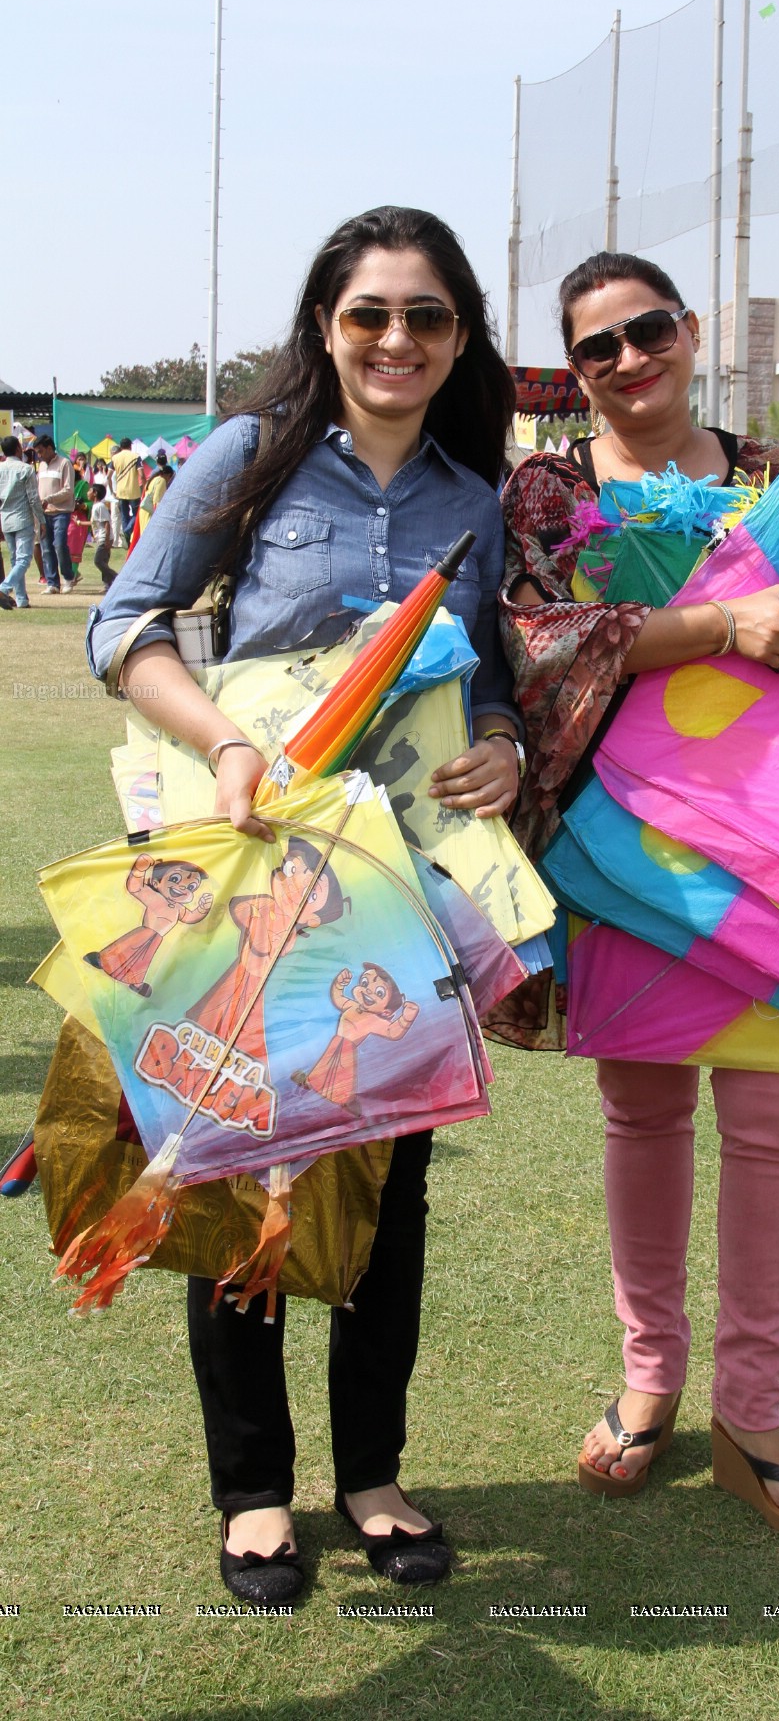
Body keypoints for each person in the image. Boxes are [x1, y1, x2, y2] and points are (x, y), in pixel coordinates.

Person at [86, 204, 520, 1604]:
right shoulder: (251, 458)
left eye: (428, 318)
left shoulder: (476, 493)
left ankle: (374, 1475)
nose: (398, 341)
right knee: (235, 1155)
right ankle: (255, 1490)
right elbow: (123, 626)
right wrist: (221, 741)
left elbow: (496, 667)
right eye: (369, 315)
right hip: (256, 869)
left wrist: (503, 739)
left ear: (461, 338)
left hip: (410, 882)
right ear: (326, 327)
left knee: (387, 1171)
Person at [500, 250, 779, 1543]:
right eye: (601, 348)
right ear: (576, 370)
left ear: (692, 332)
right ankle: (650, 1380)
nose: (631, 360)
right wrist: (729, 626)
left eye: (650, 331)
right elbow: (531, 638)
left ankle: (752, 1414)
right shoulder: (548, 490)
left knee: (772, 1115)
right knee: (641, 1109)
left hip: (775, 846)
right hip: (618, 848)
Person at [0, 434, 47, 610]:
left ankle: (21, 599)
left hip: (5, 519)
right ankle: (4, 588)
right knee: (24, 559)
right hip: (22, 518)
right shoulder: (25, 469)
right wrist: (41, 520)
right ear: (19, 449)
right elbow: (34, 498)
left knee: (15, 560)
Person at [35, 437, 77, 591]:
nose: (39, 455)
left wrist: (49, 499)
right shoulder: (41, 466)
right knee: (46, 548)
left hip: (61, 511)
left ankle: (68, 577)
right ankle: (52, 582)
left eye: (40, 451)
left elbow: (68, 490)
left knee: (59, 545)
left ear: (49, 448)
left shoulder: (65, 463)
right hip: (44, 512)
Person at [109, 436, 144, 543]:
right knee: (136, 514)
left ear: (120, 446)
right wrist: (143, 488)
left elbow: (108, 476)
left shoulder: (115, 458)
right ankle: (128, 532)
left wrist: (112, 491)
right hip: (133, 491)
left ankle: (127, 540)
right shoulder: (135, 456)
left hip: (120, 492)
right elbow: (142, 475)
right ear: (130, 446)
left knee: (124, 516)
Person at [89, 481, 118, 589]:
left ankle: (116, 577)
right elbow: (96, 522)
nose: (88, 493)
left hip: (104, 538)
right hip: (101, 537)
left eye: (90, 490)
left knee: (98, 561)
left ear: (95, 493)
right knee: (103, 561)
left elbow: (106, 523)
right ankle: (108, 585)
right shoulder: (96, 506)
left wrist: (106, 540)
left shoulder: (100, 506)